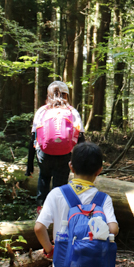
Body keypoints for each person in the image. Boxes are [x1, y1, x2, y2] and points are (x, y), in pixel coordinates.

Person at [26, 81, 84, 212]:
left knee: (44, 177)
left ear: (49, 95)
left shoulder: (42, 111)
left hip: (44, 153)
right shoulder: (72, 111)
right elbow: (81, 139)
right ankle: (57, 212)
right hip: (65, 154)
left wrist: (29, 166)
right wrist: (80, 166)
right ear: (66, 96)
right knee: (60, 184)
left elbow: (33, 138)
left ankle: (41, 209)